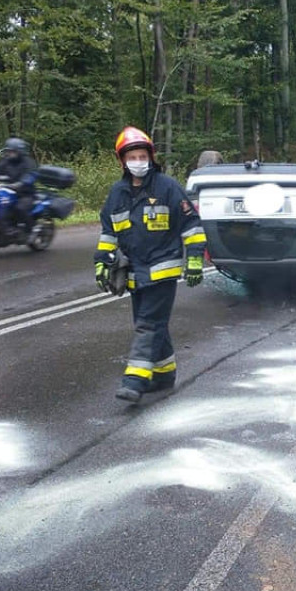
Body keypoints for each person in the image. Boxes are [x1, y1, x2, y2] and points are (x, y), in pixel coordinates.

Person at [95, 127, 207, 403]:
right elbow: (109, 232)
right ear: (122, 161)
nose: (137, 161)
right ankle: (164, 374)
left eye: (141, 155)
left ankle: (134, 380)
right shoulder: (117, 193)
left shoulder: (167, 187)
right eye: (131, 156)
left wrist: (193, 259)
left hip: (162, 270)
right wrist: (102, 262)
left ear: (150, 157)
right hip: (134, 271)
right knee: (153, 324)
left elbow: (191, 225)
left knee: (148, 324)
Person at [0, 137, 38, 234]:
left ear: (20, 151)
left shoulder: (28, 162)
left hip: (25, 194)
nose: (9, 154)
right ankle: (0, 227)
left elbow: (31, 175)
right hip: (8, 192)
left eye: (12, 151)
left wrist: (21, 183)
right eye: (8, 151)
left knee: (20, 208)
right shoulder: (5, 161)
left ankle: (32, 230)